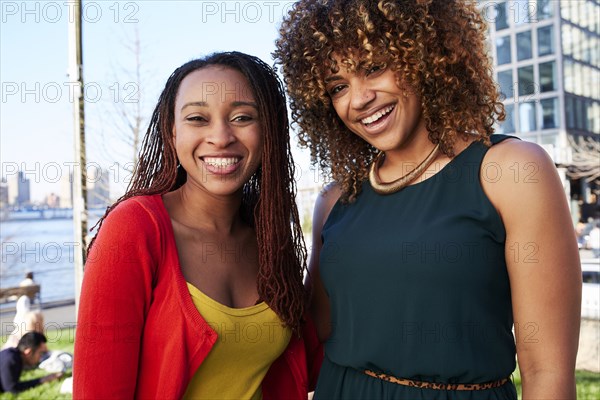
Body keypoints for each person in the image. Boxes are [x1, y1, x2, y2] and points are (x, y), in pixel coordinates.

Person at [274, 1, 582, 398]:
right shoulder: (335, 199)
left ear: (420, 53)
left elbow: (548, 374)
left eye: (373, 67)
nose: (359, 98)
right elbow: (310, 336)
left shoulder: (510, 172)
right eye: (337, 86)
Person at [73, 51, 321, 399]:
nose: (220, 137)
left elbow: (314, 362)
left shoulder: (269, 236)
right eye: (197, 118)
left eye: (242, 117)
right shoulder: (134, 229)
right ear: (172, 134)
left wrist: (338, 227)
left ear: (269, 133)